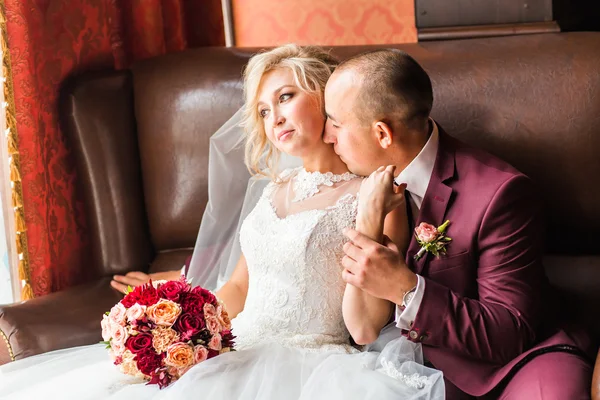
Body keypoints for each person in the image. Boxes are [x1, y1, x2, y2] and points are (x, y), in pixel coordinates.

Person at [0, 45, 444, 400]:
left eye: (286, 97)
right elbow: (237, 290)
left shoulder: (376, 195)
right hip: (236, 345)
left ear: (326, 95)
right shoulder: (273, 189)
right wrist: (175, 327)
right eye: (265, 111)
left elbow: (366, 327)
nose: (275, 119)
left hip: (309, 366)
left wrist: (371, 213)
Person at [323, 49, 593, 399]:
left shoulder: (500, 194)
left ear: (382, 134)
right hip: (396, 366)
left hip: (506, 368)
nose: (328, 137)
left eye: (337, 124)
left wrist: (406, 288)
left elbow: (509, 332)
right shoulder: (342, 185)